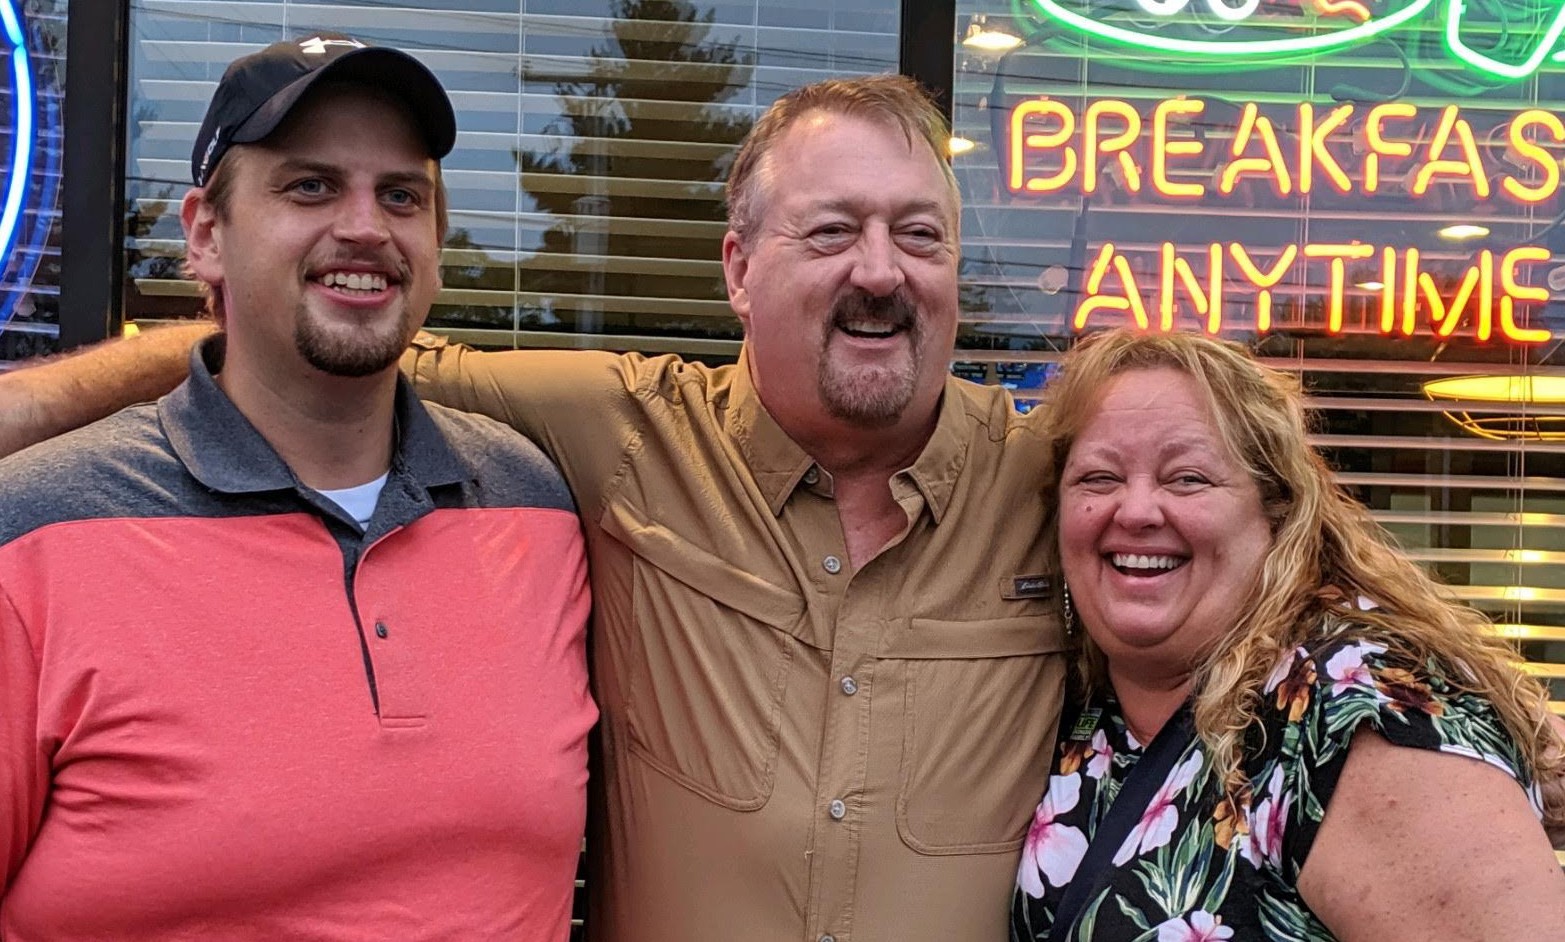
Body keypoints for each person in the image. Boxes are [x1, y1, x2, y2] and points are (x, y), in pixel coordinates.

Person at [0, 75, 1066, 940]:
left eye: (919, 236)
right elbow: (323, 333)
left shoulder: (1064, 482)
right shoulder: (616, 446)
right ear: (737, 271)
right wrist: (35, 404)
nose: (880, 270)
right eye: (831, 231)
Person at [0, 35, 595, 939]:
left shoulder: (536, 508)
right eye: (309, 186)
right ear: (205, 234)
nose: (365, 226)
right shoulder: (34, 532)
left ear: (435, 241)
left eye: (401, 195)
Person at [1011, 329, 1565, 941]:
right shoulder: (1074, 708)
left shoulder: (1354, 716)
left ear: (1276, 513)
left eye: (1188, 478)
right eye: (1098, 479)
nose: (1137, 510)